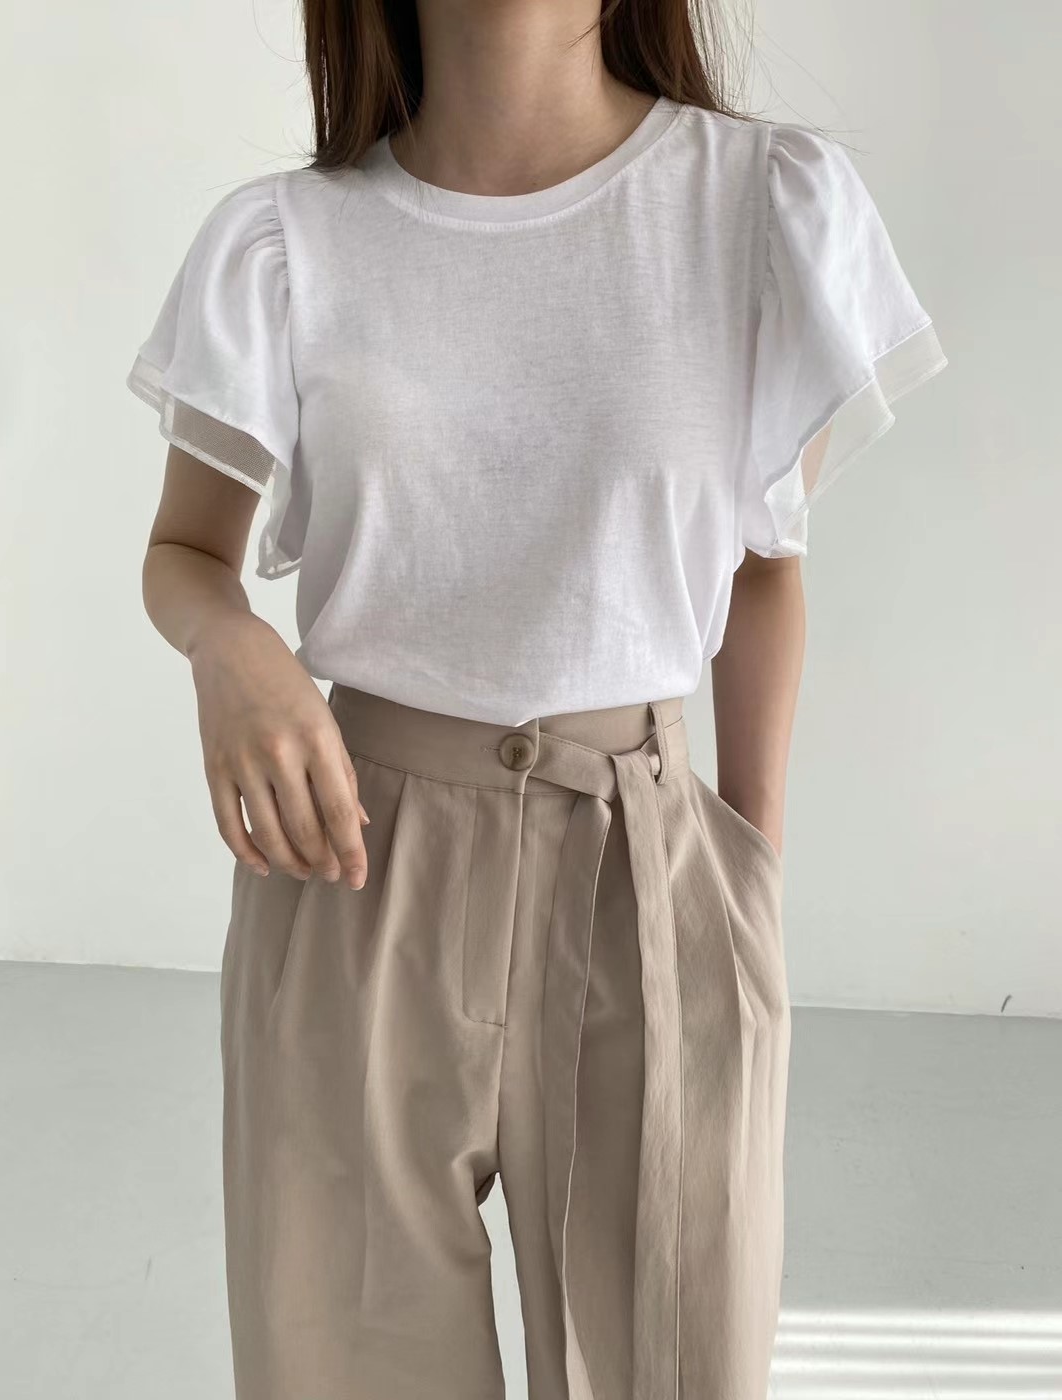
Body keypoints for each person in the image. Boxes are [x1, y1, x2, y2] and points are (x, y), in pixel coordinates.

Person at [126, 2, 948, 1396]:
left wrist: (744, 873)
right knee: (342, 1365)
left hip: (650, 868)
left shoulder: (760, 208)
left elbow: (765, 566)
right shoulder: (287, 245)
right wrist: (233, 649)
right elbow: (186, 554)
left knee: (670, 1367)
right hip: (353, 873)